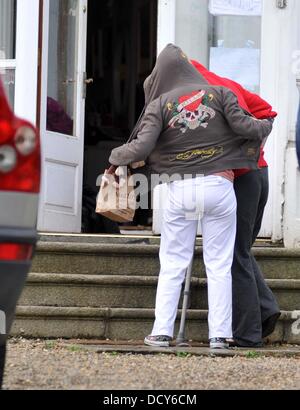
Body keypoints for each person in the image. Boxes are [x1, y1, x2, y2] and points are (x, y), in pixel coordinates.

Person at [108, 44, 273, 349]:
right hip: (218, 189)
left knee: (173, 262)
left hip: (179, 189)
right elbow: (246, 125)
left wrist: (114, 157)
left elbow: (140, 149)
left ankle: (161, 333)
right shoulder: (220, 93)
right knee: (220, 265)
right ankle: (220, 335)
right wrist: (267, 124)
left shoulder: (160, 103)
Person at [192, 60, 281, 347]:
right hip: (259, 173)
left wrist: (240, 154)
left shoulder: (199, 93)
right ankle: (266, 310)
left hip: (241, 179)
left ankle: (247, 335)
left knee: (234, 255)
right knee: (239, 250)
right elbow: (267, 111)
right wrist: (254, 150)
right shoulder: (226, 83)